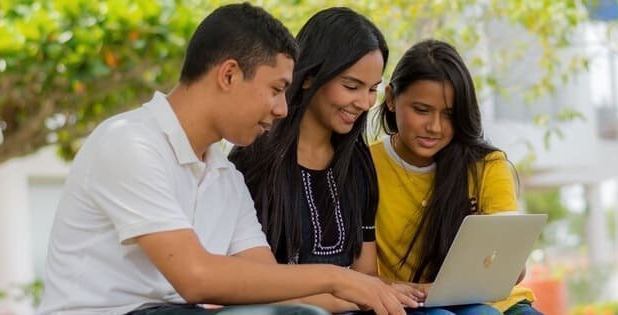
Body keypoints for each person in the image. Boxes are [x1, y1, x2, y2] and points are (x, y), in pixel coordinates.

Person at [37, 3, 409, 315]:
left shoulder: (225, 177)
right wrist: (338, 277)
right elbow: (196, 277)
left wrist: (372, 296)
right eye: (277, 89)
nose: (282, 109)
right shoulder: (130, 142)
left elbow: (273, 284)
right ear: (229, 74)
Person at [229, 7, 421, 314]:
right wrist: (356, 294)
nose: (364, 103)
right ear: (308, 77)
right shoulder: (254, 159)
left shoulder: (358, 162)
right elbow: (254, 286)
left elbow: (365, 274)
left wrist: (393, 292)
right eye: (351, 86)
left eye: (372, 90)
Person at [370, 39, 542, 315]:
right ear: (390, 98)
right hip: (414, 303)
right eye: (422, 110)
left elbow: (511, 267)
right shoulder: (366, 166)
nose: (434, 127)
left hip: (497, 301)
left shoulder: (486, 165)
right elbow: (361, 273)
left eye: (449, 115)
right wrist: (415, 290)